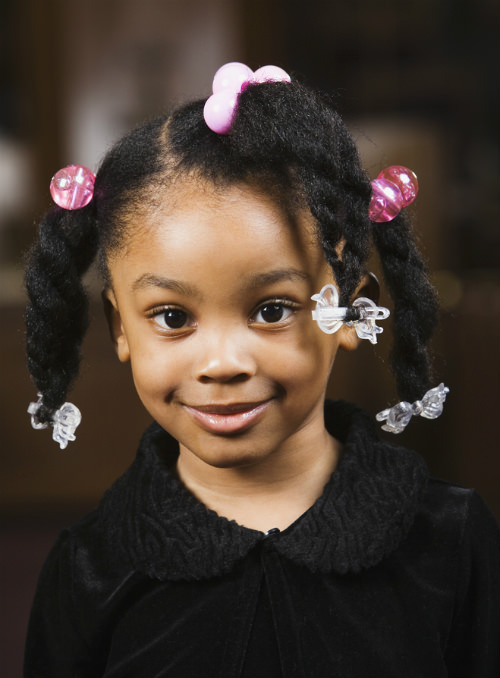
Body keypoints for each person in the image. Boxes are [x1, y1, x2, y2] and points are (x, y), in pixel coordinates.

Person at [23, 63, 499, 677]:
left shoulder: (451, 543)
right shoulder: (90, 567)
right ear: (120, 328)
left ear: (351, 310)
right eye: (171, 317)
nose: (222, 364)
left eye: (272, 309)